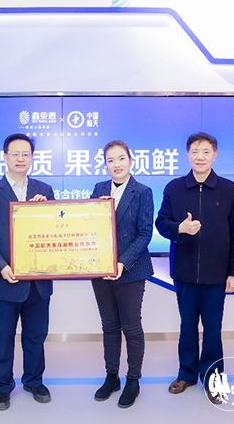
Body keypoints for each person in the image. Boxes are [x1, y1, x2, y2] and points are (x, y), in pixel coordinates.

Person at [155, 132, 234, 405]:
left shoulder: (229, 190)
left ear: (215, 155)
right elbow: (162, 223)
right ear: (188, 155)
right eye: (195, 151)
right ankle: (186, 373)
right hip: (184, 272)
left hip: (217, 274)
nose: (200, 156)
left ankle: (213, 378)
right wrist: (179, 228)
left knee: (213, 329)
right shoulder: (174, 188)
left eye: (206, 151)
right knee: (187, 326)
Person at [0, 133, 55, 411]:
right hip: (5, 280)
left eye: (26, 154)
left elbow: (56, 231)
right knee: (3, 337)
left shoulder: (45, 190)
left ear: (32, 158)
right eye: (15, 154)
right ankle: (2, 386)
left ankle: (34, 381)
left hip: (38, 282)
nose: (21, 159)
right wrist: (1, 266)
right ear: (5, 157)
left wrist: (46, 212)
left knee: (36, 335)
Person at [89, 140, 154, 408]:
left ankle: (133, 380)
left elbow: (145, 233)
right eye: (110, 160)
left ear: (131, 160)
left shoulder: (143, 191)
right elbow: (87, 226)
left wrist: (122, 263)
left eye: (121, 159)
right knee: (109, 326)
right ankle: (111, 376)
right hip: (101, 269)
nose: (116, 164)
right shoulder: (99, 189)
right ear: (105, 165)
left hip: (131, 270)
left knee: (132, 326)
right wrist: (97, 212)